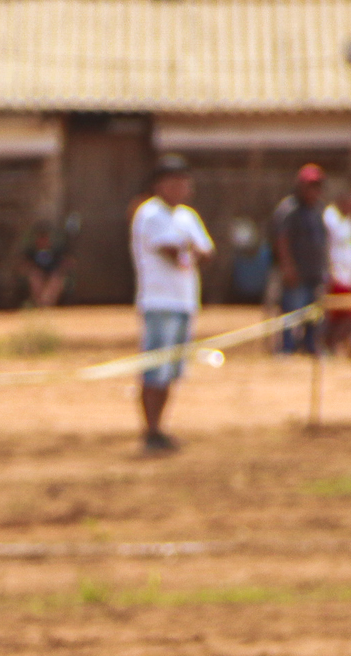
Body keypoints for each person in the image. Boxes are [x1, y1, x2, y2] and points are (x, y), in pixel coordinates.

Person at [129, 154, 213, 455]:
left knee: (172, 371)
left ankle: (159, 428)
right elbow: (172, 251)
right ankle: (150, 429)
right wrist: (188, 248)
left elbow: (206, 250)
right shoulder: (150, 213)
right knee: (155, 369)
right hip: (159, 301)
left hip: (183, 301)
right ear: (160, 185)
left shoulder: (187, 216)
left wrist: (187, 248)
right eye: (174, 182)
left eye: (184, 182)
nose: (181, 188)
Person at [271, 164, 328, 354]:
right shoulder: (289, 209)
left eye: (317, 186)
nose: (314, 191)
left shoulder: (319, 209)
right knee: (292, 311)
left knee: (314, 314)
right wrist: (287, 267)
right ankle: (287, 348)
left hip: (315, 273)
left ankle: (310, 346)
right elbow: (281, 239)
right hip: (297, 273)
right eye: (310, 186)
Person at [323, 185, 351, 356]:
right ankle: (329, 346)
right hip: (336, 275)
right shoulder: (330, 217)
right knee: (340, 316)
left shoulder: (349, 221)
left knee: (349, 316)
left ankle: (335, 346)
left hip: (348, 277)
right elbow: (328, 245)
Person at [24, 222, 68, 308]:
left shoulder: (56, 253)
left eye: (45, 239)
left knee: (56, 279)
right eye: (40, 240)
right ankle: (41, 304)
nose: (43, 242)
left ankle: (47, 303)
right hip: (38, 275)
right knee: (35, 277)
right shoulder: (31, 253)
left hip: (52, 275)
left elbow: (63, 264)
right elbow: (25, 265)